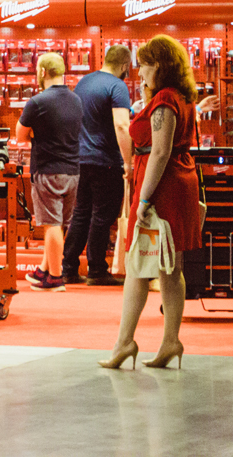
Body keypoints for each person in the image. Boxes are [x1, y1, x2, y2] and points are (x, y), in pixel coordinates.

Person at [99, 35, 202, 370]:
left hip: (160, 187)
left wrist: (143, 198)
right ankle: (170, 341)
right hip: (177, 181)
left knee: (136, 265)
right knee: (170, 267)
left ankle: (125, 342)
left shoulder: (165, 99)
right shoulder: (181, 96)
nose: (139, 72)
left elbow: (159, 151)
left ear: (159, 65)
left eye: (144, 65)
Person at [61, 45, 134, 286]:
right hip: (106, 160)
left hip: (80, 158)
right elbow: (121, 125)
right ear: (124, 65)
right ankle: (97, 269)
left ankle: (68, 268)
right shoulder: (117, 86)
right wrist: (128, 162)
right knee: (102, 215)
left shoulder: (84, 82)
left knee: (81, 213)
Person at [16, 52, 82, 292]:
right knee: (59, 224)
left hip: (47, 170)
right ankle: (44, 269)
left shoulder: (37, 102)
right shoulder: (76, 100)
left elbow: (19, 136)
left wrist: (36, 133)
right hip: (73, 171)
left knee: (51, 224)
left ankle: (55, 277)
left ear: (42, 72)